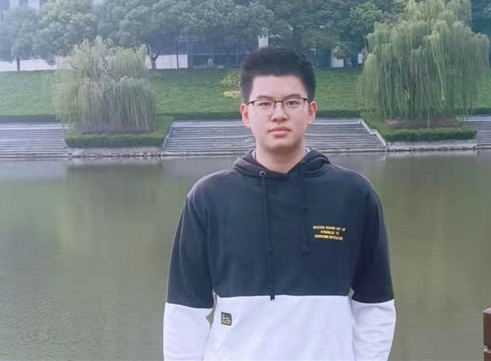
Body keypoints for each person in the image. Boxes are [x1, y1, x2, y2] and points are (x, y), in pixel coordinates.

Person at [163, 47, 396, 361]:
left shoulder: (354, 195)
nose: (278, 114)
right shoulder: (208, 198)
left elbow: (375, 305)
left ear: (310, 111)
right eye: (265, 103)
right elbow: (184, 313)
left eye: (291, 102)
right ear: (246, 114)